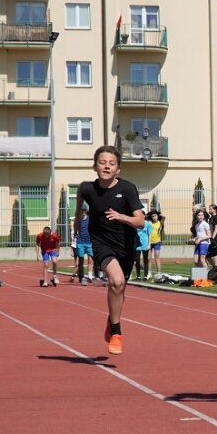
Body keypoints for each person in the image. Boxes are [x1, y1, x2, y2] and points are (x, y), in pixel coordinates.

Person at [76, 145, 145, 355]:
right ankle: (116, 331)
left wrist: (122, 217)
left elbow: (140, 221)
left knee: (119, 288)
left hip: (125, 244)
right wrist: (77, 225)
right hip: (100, 242)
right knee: (116, 281)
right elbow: (80, 205)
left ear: (118, 169)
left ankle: (111, 319)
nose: (107, 166)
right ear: (95, 166)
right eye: (102, 162)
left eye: (112, 163)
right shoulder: (86, 188)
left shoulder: (127, 189)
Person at [75, 205, 96, 284]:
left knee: (91, 260)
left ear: (86, 211)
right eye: (81, 210)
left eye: (84, 210)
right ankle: (81, 277)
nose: (83, 212)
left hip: (89, 242)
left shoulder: (90, 219)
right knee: (81, 261)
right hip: (80, 242)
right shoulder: (78, 220)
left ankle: (90, 277)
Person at [133, 210, 153, 280]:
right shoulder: (135, 224)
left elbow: (150, 234)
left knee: (145, 260)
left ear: (144, 216)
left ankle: (145, 275)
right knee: (137, 260)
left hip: (145, 244)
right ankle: (138, 276)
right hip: (137, 244)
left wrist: (149, 244)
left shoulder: (148, 224)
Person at [148, 210, 165, 277]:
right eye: (153, 216)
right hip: (150, 242)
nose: (154, 217)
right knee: (149, 258)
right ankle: (149, 273)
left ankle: (159, 272)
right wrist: (149, 215)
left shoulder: (160, 223)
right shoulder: (149, 223)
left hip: (157, 242)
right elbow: (145, 217)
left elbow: (163, 217)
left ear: (157, 216)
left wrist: (159, 214)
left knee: (156, 258)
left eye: (155, 216)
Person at [206, 203, 217, 267]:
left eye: (210, 209)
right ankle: (214, 267)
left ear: (215, 210)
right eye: (209, 209)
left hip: (215, 239)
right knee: (207, 255)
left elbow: (216, 229)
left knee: (215, 255)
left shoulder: (216, 218)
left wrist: (212, 238)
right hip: (210, 238)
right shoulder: (211, 218)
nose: (209, 210)